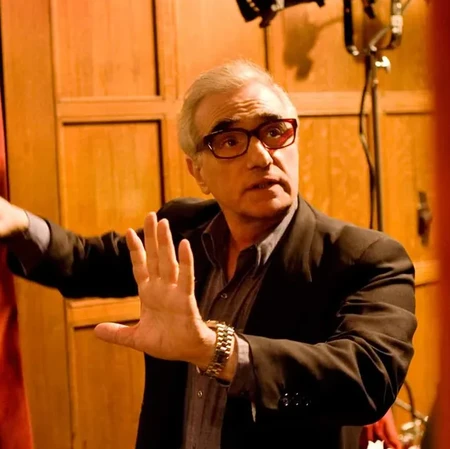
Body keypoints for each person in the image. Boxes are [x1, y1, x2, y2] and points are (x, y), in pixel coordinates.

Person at [0, 60, 416, 449]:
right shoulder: (181, 228)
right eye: (230, 141)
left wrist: (215, 349)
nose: (261, 157)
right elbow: (85, 263)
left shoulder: (364, 258)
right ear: (197, 171)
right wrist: (18, 222)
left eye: (274, 132)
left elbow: (370, 378)